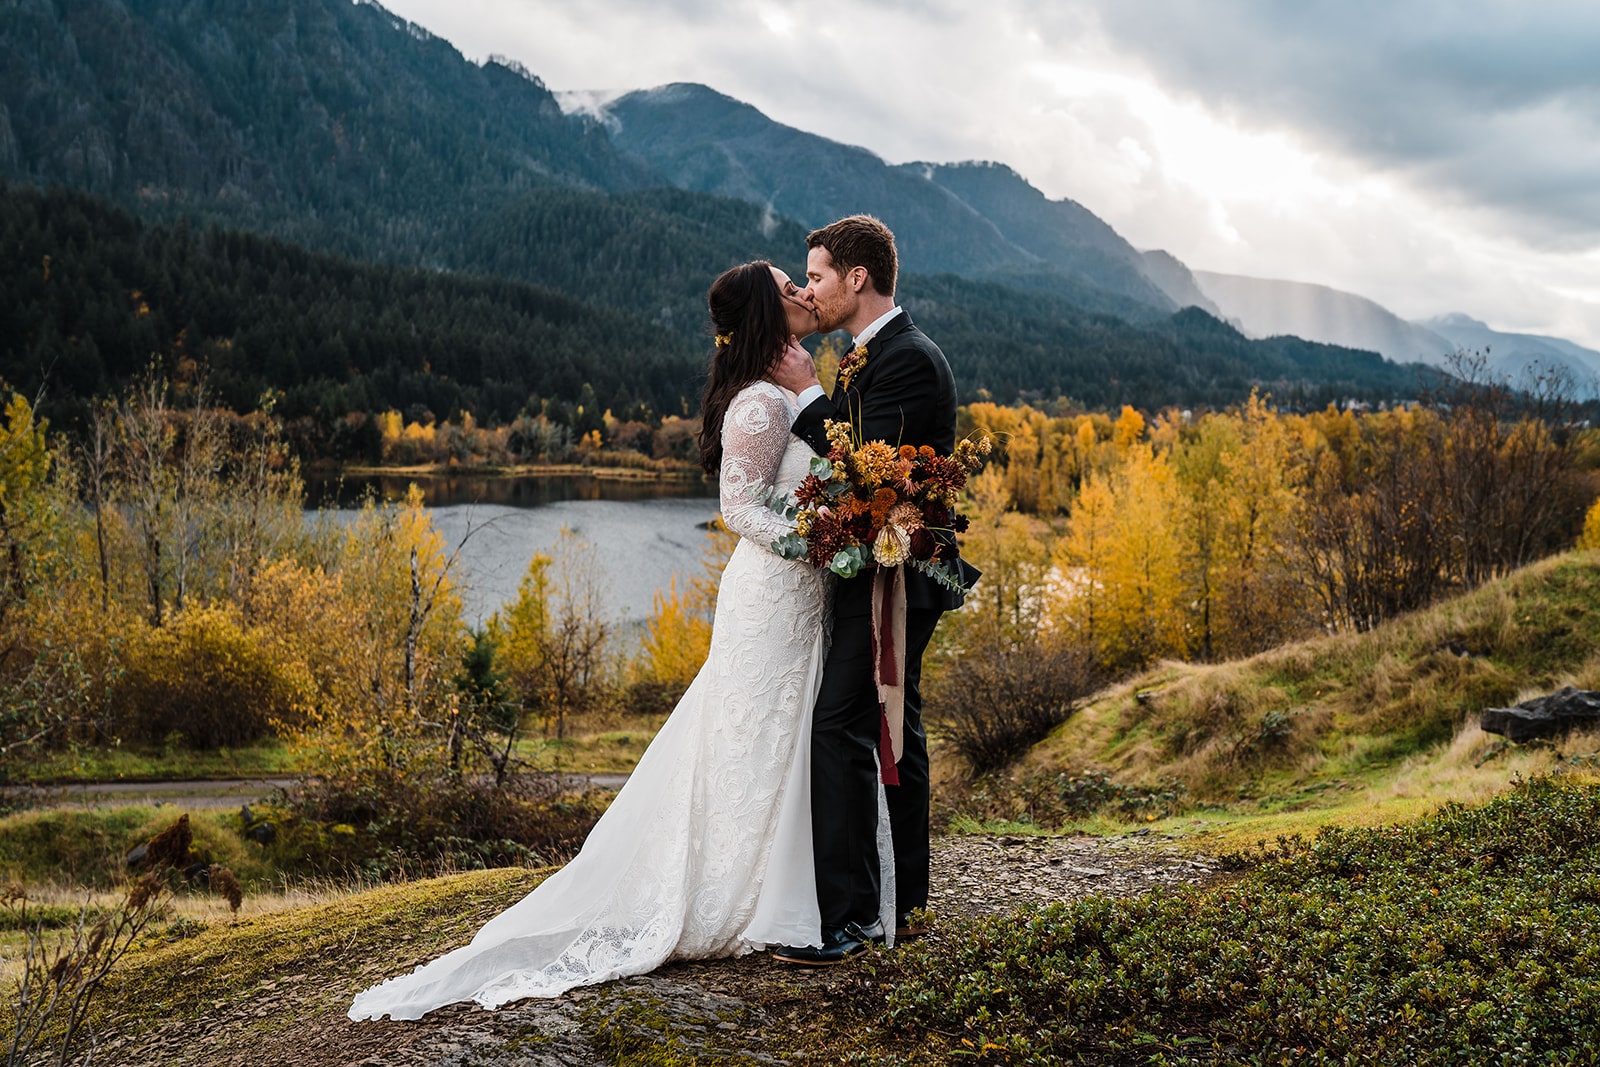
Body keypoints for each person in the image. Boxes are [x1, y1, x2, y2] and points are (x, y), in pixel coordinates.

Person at [348, 260, 876, 1020]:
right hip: (773, 595)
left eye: (804, 282)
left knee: (784, 739)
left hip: (801, 601)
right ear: (767, 310)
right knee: (752, 738)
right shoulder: (760, 404)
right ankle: (739, 893)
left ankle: (792, 887)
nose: (801, 291)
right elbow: (739, 510)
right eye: (788, 285)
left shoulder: (789, 390)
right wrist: (818, 540)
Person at [769, 215, 970, 965]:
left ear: (857, 278)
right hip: (876, 567)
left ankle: (852, 920)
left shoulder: (908, 359)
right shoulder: (869, 356)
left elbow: (872, 472)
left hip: (898, 574)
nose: (811, 289)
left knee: (843, 724)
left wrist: (808, 396)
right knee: (893, 725)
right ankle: (904, 907)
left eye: (816, 275)